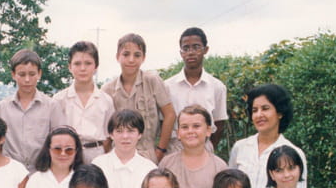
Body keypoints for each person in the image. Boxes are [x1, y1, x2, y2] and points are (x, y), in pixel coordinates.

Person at [101, 33, 176, 163]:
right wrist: (107, 155)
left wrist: (160, 150)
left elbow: (170, 114)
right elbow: (105, 128)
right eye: (126, 54)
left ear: (143, 58)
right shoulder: (107, 89)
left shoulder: (152, 81)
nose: (131, 60)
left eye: (137, 55)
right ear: (117, 56)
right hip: (117, 155)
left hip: (147, 153)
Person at [229, 83, 308, 188]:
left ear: (280, 113)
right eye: (255, 110)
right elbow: (229, 187)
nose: (259, 115)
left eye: (265, 109)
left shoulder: (294, 153)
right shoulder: (240, 147)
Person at [0, 49, 65, 172]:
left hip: (42, 170)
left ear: (39, 74)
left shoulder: (51, 106)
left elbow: (59, 140)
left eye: (32, 74)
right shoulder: (2, 107)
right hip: (9, 171)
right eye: (22, 74)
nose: (27, 80)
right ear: (13, 74)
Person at [159, 105, 227, 188]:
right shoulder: (167, 164)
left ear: (208, 131)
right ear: (178, 133)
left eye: (196, 126)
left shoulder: (219, 167)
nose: (190, 131)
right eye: (185, 127)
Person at [164, 27, 227, 153]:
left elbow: (219, 123)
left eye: (196, 47)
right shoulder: (168, 87)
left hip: (204, 147)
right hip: (175, 148)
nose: (191, 52)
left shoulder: (217, 87)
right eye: (186, 48)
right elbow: (163, 122)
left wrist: (208, 148)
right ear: (181, 53)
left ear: (205, 50)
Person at [92, 109, 157, 188]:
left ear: (140, 134)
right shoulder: (98, 165)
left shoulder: (150, 169)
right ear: (111, 134)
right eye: (119, 131)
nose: (125, 136)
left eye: (131, 131)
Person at [52, 41, 115, 163]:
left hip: (97, 155)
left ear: (96, 67)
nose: (82, 68)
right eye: (77, 63)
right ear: (69, 67)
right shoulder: (59, 99)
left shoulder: (106, 100)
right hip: (68, 155)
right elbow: (54, 134)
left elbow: (109, 137)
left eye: (88, 63)